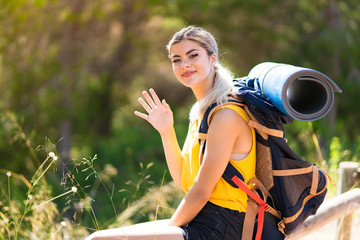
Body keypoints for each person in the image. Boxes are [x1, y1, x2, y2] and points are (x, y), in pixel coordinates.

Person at [85, 26, 257, 240]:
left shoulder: (226, 116)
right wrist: (166, 131)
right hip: (204, 219)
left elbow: (201, 194)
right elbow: (185, 181)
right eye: (176, 59)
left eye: (193, 55)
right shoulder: (202, 113)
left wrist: (168, 229)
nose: (184, 64)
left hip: (226, 226)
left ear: (213, 59)